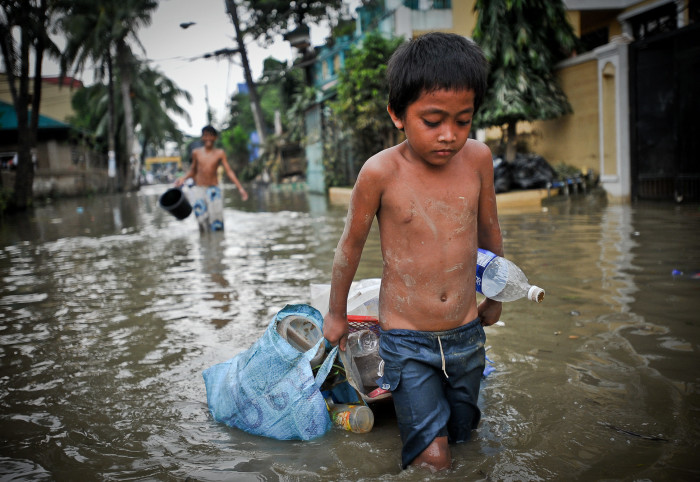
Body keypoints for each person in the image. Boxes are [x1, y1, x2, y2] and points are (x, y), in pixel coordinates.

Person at [322, 32, 503, 472]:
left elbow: (489, 231)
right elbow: (350, 247)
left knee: (465, 438)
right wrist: (336, 314)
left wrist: (496, 294)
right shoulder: (380, 172)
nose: (449, 135)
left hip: (465, 333)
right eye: (433, 120)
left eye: (463, 120)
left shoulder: (478, 159)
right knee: (435, 459)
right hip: (406, 339)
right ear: (397, 115)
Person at [175, 125, 248, 231]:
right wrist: (183, 178)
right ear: (202, 138)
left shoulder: (220, 153)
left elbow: (229, 171)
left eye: (211, 135)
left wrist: (240, 188)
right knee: (201, 219)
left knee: (216, 221)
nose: (208, 138)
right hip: (199, 189)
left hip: (213, 189)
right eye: (205, 135)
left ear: (215, 138)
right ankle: (205, 244)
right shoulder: (196, 153)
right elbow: (193, 171)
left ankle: (218, 244)